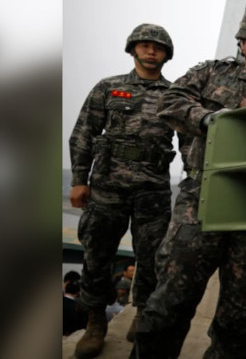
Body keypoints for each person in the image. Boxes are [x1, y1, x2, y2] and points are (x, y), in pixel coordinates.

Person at [133, 0, 246, 359]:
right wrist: (207, 119)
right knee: (168, 304)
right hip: (201, 202)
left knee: (238, 319)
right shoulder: (211, 74)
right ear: (241, 42)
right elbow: (171, 102)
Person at [68, 23, 187, 358]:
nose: (151, 51)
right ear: (133, 49)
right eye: (145, 45)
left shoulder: (176, 94)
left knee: (153, 257)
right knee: (97, 252)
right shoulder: (108, 87)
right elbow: (83, 133)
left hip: (153, 190)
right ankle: (95, 322)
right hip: (107, 187)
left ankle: (144, 314)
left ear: (166, 54)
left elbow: (190, 141)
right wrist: (79, 179)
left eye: (158, 47)